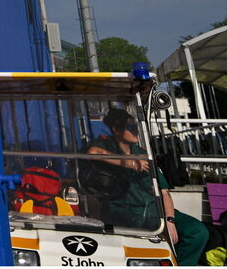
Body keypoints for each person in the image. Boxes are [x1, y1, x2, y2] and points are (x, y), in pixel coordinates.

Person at [86, 107, 207, 265]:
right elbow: (93, 152)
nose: (136, 131)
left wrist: (170, 221)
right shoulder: (107, 146)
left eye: (136, 127)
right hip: (126, 210)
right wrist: (128, 163)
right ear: (116, 129)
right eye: (130, 127)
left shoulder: (143, 153)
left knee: (198, 231)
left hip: (155, 209)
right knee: (150, 228)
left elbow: (164, 193)